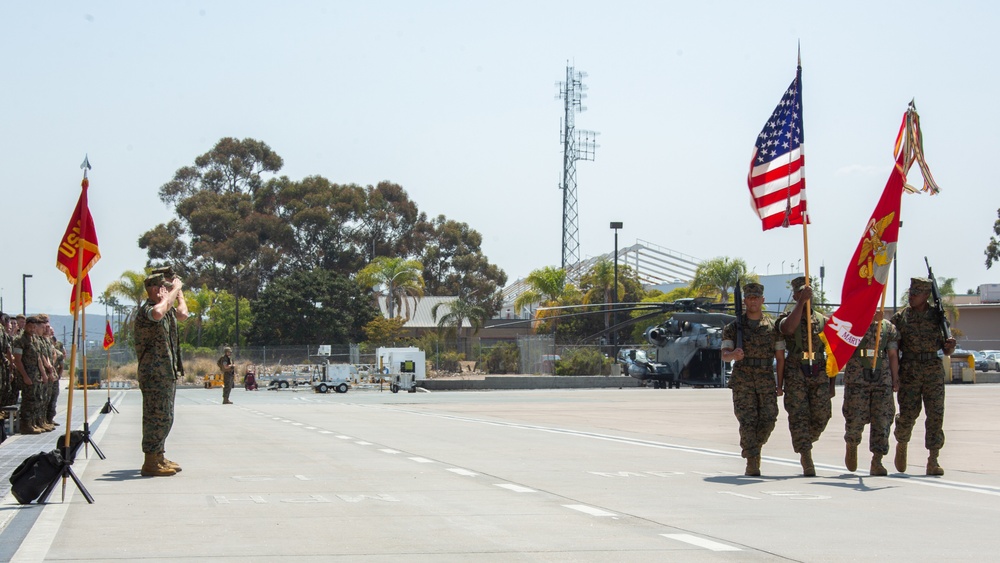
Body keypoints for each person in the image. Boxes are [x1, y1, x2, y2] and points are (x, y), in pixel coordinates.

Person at [891, 277, 956, 475]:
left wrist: (950, 346)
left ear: (927, 295)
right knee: (908, 414)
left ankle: (933, 459)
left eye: (916, 294)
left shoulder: (938, 318)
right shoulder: (900, 318)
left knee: (935, 414)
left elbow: (947, 350)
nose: (911, 297)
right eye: (910, 293)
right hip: (909, 369)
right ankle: (902, 443)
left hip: (933, 370)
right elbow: (893, 349)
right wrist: (894, 375)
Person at [721, 282, 785, 476]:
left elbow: (780, 358)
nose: (753, 301)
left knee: (769, 418)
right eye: (750, 298)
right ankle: (752, 460)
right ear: (745, 301)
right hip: (743, 380)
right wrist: (734, 355)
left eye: (757, 298)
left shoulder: (774, 328)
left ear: (762, 300)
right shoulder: (733, 327)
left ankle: (753, 448)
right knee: (747, 421)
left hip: (766, 378)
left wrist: (779, 385)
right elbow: (724, 354)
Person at [134, 272, 188, 477]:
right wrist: (173, 292)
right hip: (154, 373)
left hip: (165, 372)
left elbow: (183, 314)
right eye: (164, 287)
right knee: (155, 416)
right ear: (156, 289)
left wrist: (179, 294)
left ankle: (158, 455)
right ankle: (150, 461)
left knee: (165, 416)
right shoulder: (148, 310)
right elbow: (157, 313)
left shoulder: (167, 309)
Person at [777, 276, 832, 476]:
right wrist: (801, 304)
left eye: (807, 291)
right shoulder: (787, 316)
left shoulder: (821, 319)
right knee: (798, 415)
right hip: (796, 370)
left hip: (818, 370)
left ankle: (806, 441)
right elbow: (788, 329)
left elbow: (832, 350)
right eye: (801, 292)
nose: (806, 294)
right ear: (795, 295)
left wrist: (832, 383)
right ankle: (806, 455)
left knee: (822, 414)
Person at [842, 310, 899, 476]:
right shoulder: (852, 325)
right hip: (857, 379)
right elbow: (842, 345)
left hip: (882, 379)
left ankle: (877, 460)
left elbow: (893, 354)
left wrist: (895, 378)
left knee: (883, 421)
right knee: (855, 419)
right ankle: (852, 444)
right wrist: (865, 320)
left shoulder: (888, 328)